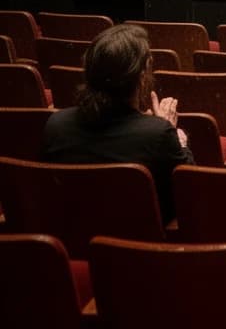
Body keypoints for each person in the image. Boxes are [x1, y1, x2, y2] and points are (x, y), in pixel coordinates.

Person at [40, 23, 194, 223]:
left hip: (75, 239)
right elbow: (189, 188)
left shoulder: (56, 125)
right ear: (141, 77)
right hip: (139, 245)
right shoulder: (158, 134)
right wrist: (175, 135)